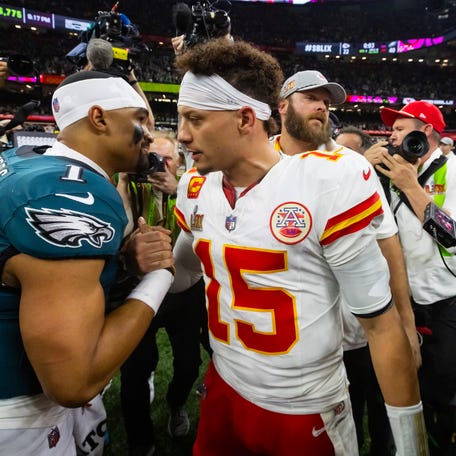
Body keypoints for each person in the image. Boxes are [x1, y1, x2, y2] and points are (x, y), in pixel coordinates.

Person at [170, 38, 427, 455]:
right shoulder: (194, 186)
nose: (182, 135)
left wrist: (413, 445)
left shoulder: (330, 180)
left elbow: (380, 325)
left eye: (194, 119)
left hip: (303, 406)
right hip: (223, 383)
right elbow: (182, 272)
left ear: (245, 118)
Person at [0, 70, 174, 455]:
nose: (148, 132)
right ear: (99, 118)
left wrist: (124, 260)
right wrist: (160, 276)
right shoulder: (69, 194)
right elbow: (73, 383)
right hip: (17, 415)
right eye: (140, 119)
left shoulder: (26, 158)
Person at [275, 70, 420, 455]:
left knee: (366, 419)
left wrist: (405, 322)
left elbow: (389, 245)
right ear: (283, 105)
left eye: (327, 100)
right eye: (311, 97)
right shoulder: (258, 161)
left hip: (357, 332)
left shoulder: (351, 167)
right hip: (289, 343)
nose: (322, 105)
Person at [367, 100, 456, 455]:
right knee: (396, 389)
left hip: (444, 303)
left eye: (401, 129)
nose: (392, 135)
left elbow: (451, 236)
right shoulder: (388, 174)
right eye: (392, 129)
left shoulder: (452, 171)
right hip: (397, 301)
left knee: (443, 395)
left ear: (427, 133)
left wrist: (411, 187)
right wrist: (362, 168)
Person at [117, 131, 209, 456]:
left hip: (184, 293)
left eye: (166, 159)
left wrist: (178, 190)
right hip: (137, 293)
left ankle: (176, 403)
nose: (157, 165)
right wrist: (125, 181)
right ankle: (141, 441)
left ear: (179, 163)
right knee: (135, 371)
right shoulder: (124, 189)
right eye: (151, 157)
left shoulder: (195, 188)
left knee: (187, 363)